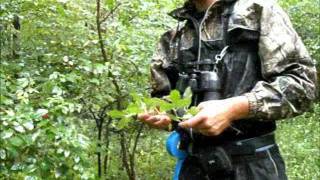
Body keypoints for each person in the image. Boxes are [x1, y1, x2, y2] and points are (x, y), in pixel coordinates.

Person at [138, 0, 317, 179]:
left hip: (253, 165)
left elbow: (303, 84)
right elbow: (165, 99)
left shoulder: (258, 11)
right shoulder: (174, 37)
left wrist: (237, 107)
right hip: (193, 166)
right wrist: (165, 116)